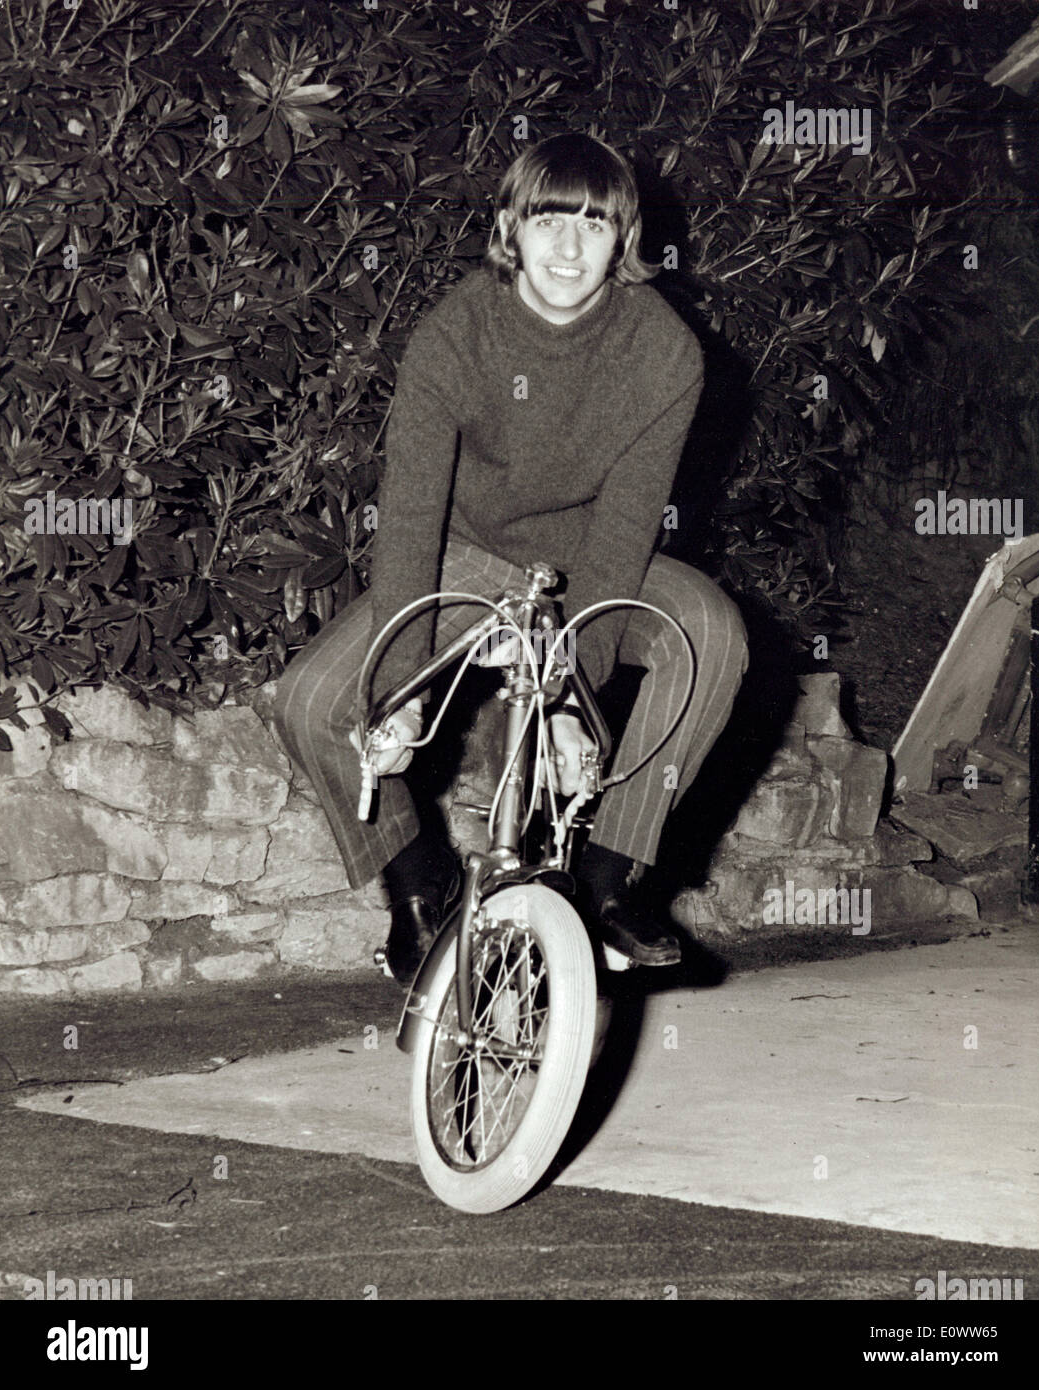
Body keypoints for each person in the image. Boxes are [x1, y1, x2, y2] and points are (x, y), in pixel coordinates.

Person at [272, 132, 748, 986]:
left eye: (594, 226)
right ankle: (422, 886)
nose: (569, 249)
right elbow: (413, 515)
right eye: (548, 221)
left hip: (594, 566)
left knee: (710, 632)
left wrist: (572, 696)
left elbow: (623, 531)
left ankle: (608, 884)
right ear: (509, 229)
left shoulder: (663, 352)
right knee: (313, 703)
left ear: (624, 239)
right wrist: (401, 694)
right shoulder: (456, 333)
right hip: (466, 553)